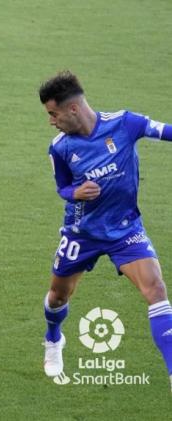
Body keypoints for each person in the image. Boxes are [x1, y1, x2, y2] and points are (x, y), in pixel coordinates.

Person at [39, 70, 172, 389]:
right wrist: (76, 192)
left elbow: (165, 131)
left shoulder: (125, 123)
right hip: (81, 233)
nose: (51, 121)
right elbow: (62, 188)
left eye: (53, 113)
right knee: (58, 297)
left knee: (156, 289)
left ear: (72, 109)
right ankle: (53, 339)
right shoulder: (59, 148)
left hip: (126, 230)